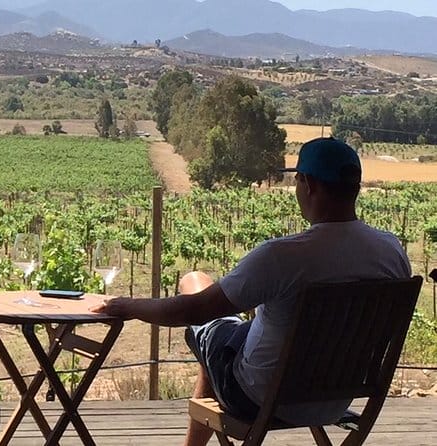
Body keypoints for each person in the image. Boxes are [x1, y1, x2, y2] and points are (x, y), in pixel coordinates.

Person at [92, 137, 411, 446]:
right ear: (354, 188)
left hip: (258, 397)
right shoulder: (391, 251)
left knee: (195, 282)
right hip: (333, 402)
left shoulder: (284, 256)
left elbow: (191, 311)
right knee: (235, 336)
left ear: (308, 184)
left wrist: (128, 306)